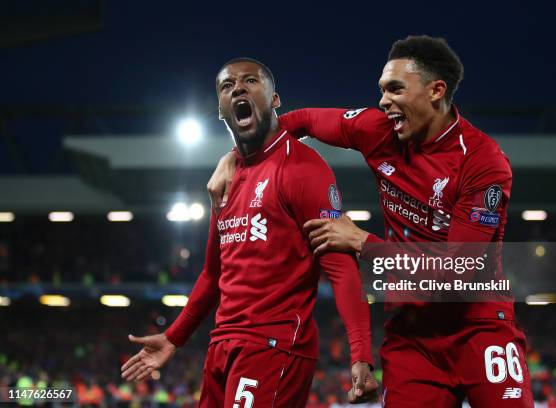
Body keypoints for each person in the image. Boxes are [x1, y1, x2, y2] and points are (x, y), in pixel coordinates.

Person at [208, 37, 534, 407]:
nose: (382, 101)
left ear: (435, 90)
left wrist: (363, 243)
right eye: (381, 90)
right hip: (412, 336)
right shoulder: (376, 130)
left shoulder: (482, 162)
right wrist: (235, 157)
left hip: (479, 325)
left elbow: (455, 272)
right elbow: (295, 122)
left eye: (395, 89)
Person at [121, 58, 377, 407]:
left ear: (275, 99)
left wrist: (360, 354)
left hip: (275, 346)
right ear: (220, 111)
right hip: (222, 347)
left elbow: (342, 268)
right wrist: (174, 337)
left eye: (250, 81)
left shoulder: (303, 168)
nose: (238, 88)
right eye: (227, 86)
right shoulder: (223, 181)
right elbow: (214, 273)